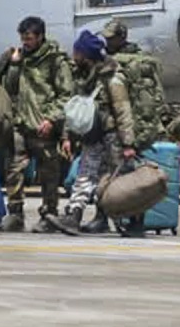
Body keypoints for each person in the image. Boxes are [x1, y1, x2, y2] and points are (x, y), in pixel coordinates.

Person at [0, 16, 73, 233]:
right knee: (13, 168)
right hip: (20, 123)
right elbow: (7, 87)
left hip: (43, 125)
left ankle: (49, 214)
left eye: (29, 38)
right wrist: (14, 64)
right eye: (23, 38)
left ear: (40, 36)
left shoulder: (55, 60)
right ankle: (15, 213)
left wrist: (51, 119)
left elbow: (66, 95)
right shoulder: (18, 58)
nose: (25, 43)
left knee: (48, 172)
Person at [54, 29, 137, 236]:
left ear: (86, 55)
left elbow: (123, 110)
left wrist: (128, 143)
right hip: (92, 135)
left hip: (113, 136)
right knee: (85, 175)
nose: (74, 56)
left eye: (77, 52)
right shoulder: (83, 77)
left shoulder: (112, 78)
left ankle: (124, 219)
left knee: (117, 179)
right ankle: (74, 216)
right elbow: (75, 108)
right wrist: (67, 136)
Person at [101, 18, 166, 148]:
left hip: (133, 115)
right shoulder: (105, 56)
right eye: (106, 38)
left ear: (121, 37)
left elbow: (151, 93)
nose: (108, 41)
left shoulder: (136, 60)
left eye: (111, 38)